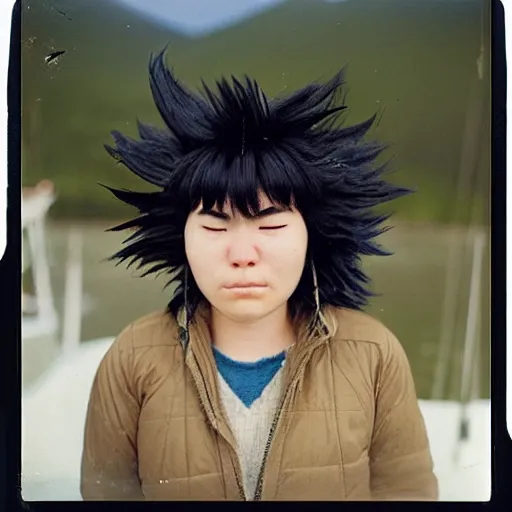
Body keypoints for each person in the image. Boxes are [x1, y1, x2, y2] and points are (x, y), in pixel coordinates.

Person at [80, 48, 438, 501]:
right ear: (182, 237)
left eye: (270, 225)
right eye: (213, 225)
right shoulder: (133, 357)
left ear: (313, 234)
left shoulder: (374, 355)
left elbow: (408, 494)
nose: (243, 253)